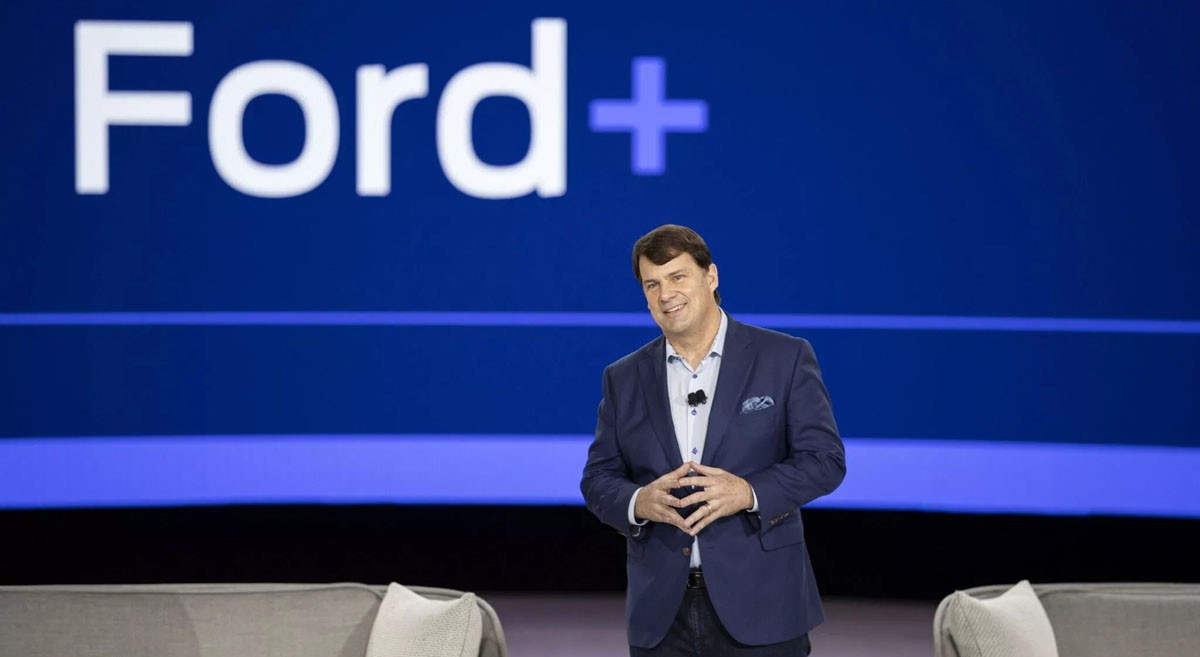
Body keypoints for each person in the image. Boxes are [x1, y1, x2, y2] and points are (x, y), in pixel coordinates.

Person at [580, 224, 846, 656]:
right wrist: (638, 501)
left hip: (763, 605)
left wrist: (747, 492)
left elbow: (824, 461)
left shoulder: (785, 357)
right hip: (661, 616)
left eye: (677, 277)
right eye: (652, 284)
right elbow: (598, 478)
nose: (666, 294)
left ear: (711, 276)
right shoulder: (623, 377)